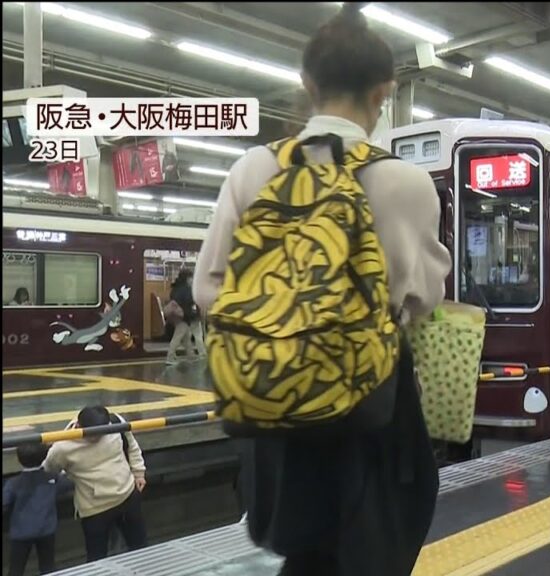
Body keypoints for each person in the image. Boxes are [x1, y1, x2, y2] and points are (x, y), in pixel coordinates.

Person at [192, 5, 451, 575]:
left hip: (273, 398)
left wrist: (282, 322)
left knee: (300, 551)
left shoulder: (252, 170)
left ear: (308, 84)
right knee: (372, 548)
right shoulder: (407, 183)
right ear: (385, 91)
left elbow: (209, 289)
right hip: (371, 406)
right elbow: (424, 299)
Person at [43, 405, 148, 562]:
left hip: (127, 495)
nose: (98, 438)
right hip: (96, 509)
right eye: (94, 435)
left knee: (140, 546)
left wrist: (139, 472)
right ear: (79, 426)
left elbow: (131, 445)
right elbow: (49, 469)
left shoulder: (116, 423)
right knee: (97, 557)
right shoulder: (62, 448)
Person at [3, 444, 73, 576]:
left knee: (16, 568)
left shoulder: (13, 483)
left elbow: (5, 503)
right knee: (48, 567)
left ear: (19, 459)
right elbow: (68, 484)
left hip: (21, 533)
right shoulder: (52, 478)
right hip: (46, 530)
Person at [166, 270, 204, 364]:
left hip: (177, 316)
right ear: (187, 278)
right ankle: (170, 357)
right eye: (191, 278)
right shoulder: (187, 290)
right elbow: (191, 304)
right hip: (187, 317)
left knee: (186, 337)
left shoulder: (175, 288)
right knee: (181, 337)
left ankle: (190, 356)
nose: (192, 280)